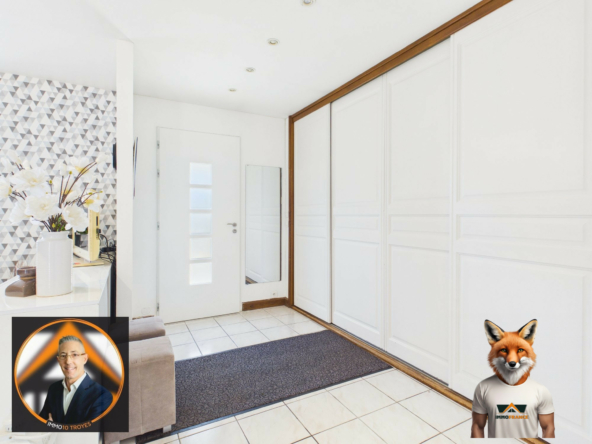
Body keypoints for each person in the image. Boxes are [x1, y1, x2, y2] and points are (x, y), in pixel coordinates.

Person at [39, 335, 112, 424]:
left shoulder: (102, 395)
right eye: (63, 355)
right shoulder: (53, 389)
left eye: (74, 355)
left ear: (84, 358)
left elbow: (90, 431)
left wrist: (52, 427)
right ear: (58, 360)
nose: (68, 361)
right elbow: (39, 425)